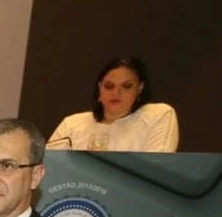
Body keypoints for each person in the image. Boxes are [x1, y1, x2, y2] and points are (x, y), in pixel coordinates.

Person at [47, 57, 178, 152]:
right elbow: (49, 169)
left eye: (126, 86)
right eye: (109, 86)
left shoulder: (157, 115)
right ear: (99, 87)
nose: (116, 93)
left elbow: (157, 170)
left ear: (140, 88)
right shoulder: (72, 124)